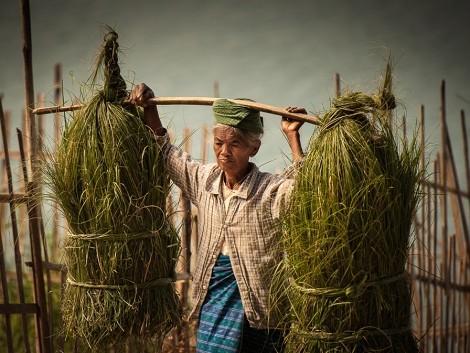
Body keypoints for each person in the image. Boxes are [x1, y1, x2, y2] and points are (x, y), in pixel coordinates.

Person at [130, 83, 306, 353]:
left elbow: (304, 193)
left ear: (254, 148)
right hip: (215, 298)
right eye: (218, 143)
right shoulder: (205, 180)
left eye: (235, 144)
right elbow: (165, 152)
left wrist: (293, 137)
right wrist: (150, 107)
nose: (224, 151)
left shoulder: (270, 190)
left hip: (260, 306)